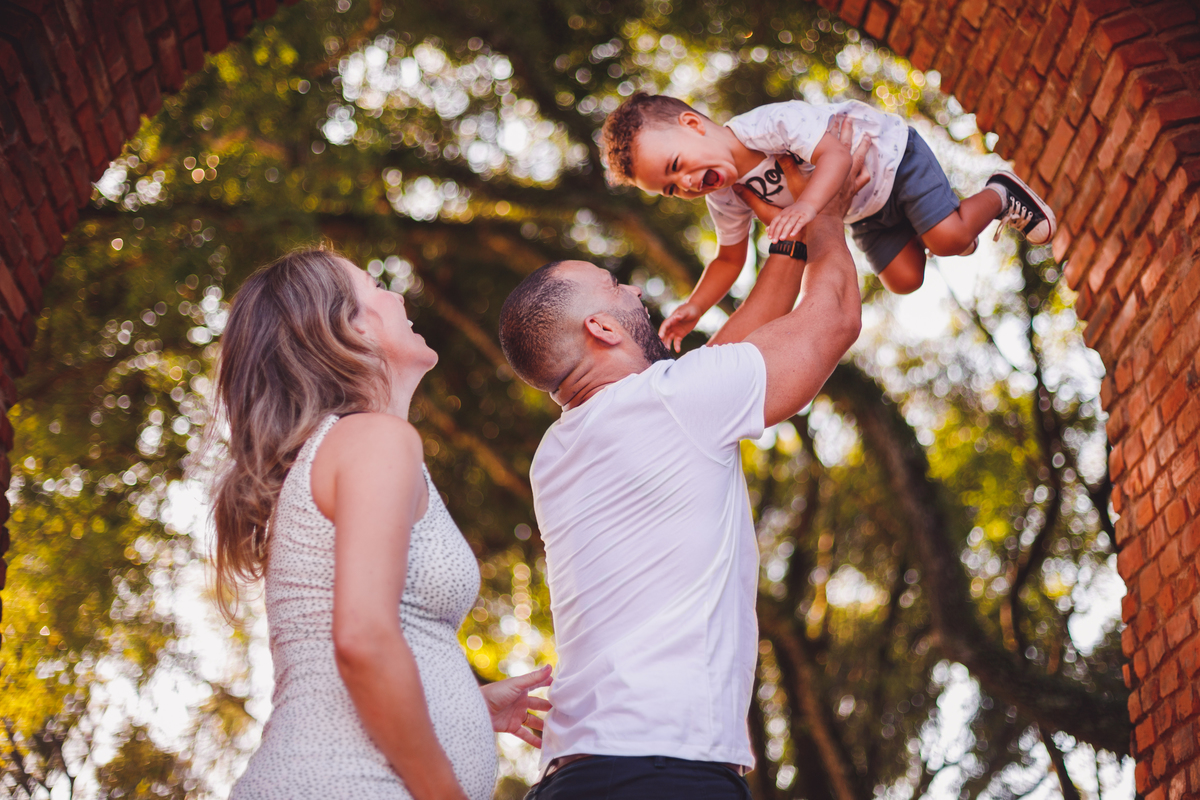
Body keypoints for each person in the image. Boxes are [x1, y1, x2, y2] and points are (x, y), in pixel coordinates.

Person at [497, 120, 868, 799]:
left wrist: (778, 223)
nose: (637, 293)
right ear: (602, 328)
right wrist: (827, 213)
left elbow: (727, 360)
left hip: (571, 777)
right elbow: (836, 317)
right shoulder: (672, 405)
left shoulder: (563, 450)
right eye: (617, 288)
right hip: (662, 773)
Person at [210, 248, 552, 800]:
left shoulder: (350, 448)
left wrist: (465, 707)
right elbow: (364, 640)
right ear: (346, 326)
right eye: (374, 285)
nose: (396, 295)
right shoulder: (372, 439)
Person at [599, 92, 1057, 349]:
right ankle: (947, 225)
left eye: (678, 164)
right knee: (903, 279)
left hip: (891, 161)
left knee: (948, 238)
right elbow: (728, 257)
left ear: (693, 124)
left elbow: (834, 154)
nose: (687, 183)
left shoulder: (767, 124)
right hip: (864, 209)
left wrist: (805, 207)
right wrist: (694, 308)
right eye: (671, 188)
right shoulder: (726, 196)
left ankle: (998, 194)